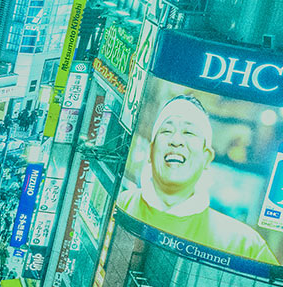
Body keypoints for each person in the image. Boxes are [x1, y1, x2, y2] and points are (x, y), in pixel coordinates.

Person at [116, 93, 280, 264]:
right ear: (151, 150)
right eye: (167, 131)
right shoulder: (123, 203)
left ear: (207, 157)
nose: (176, 140)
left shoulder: (246, 245)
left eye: (188, 132)